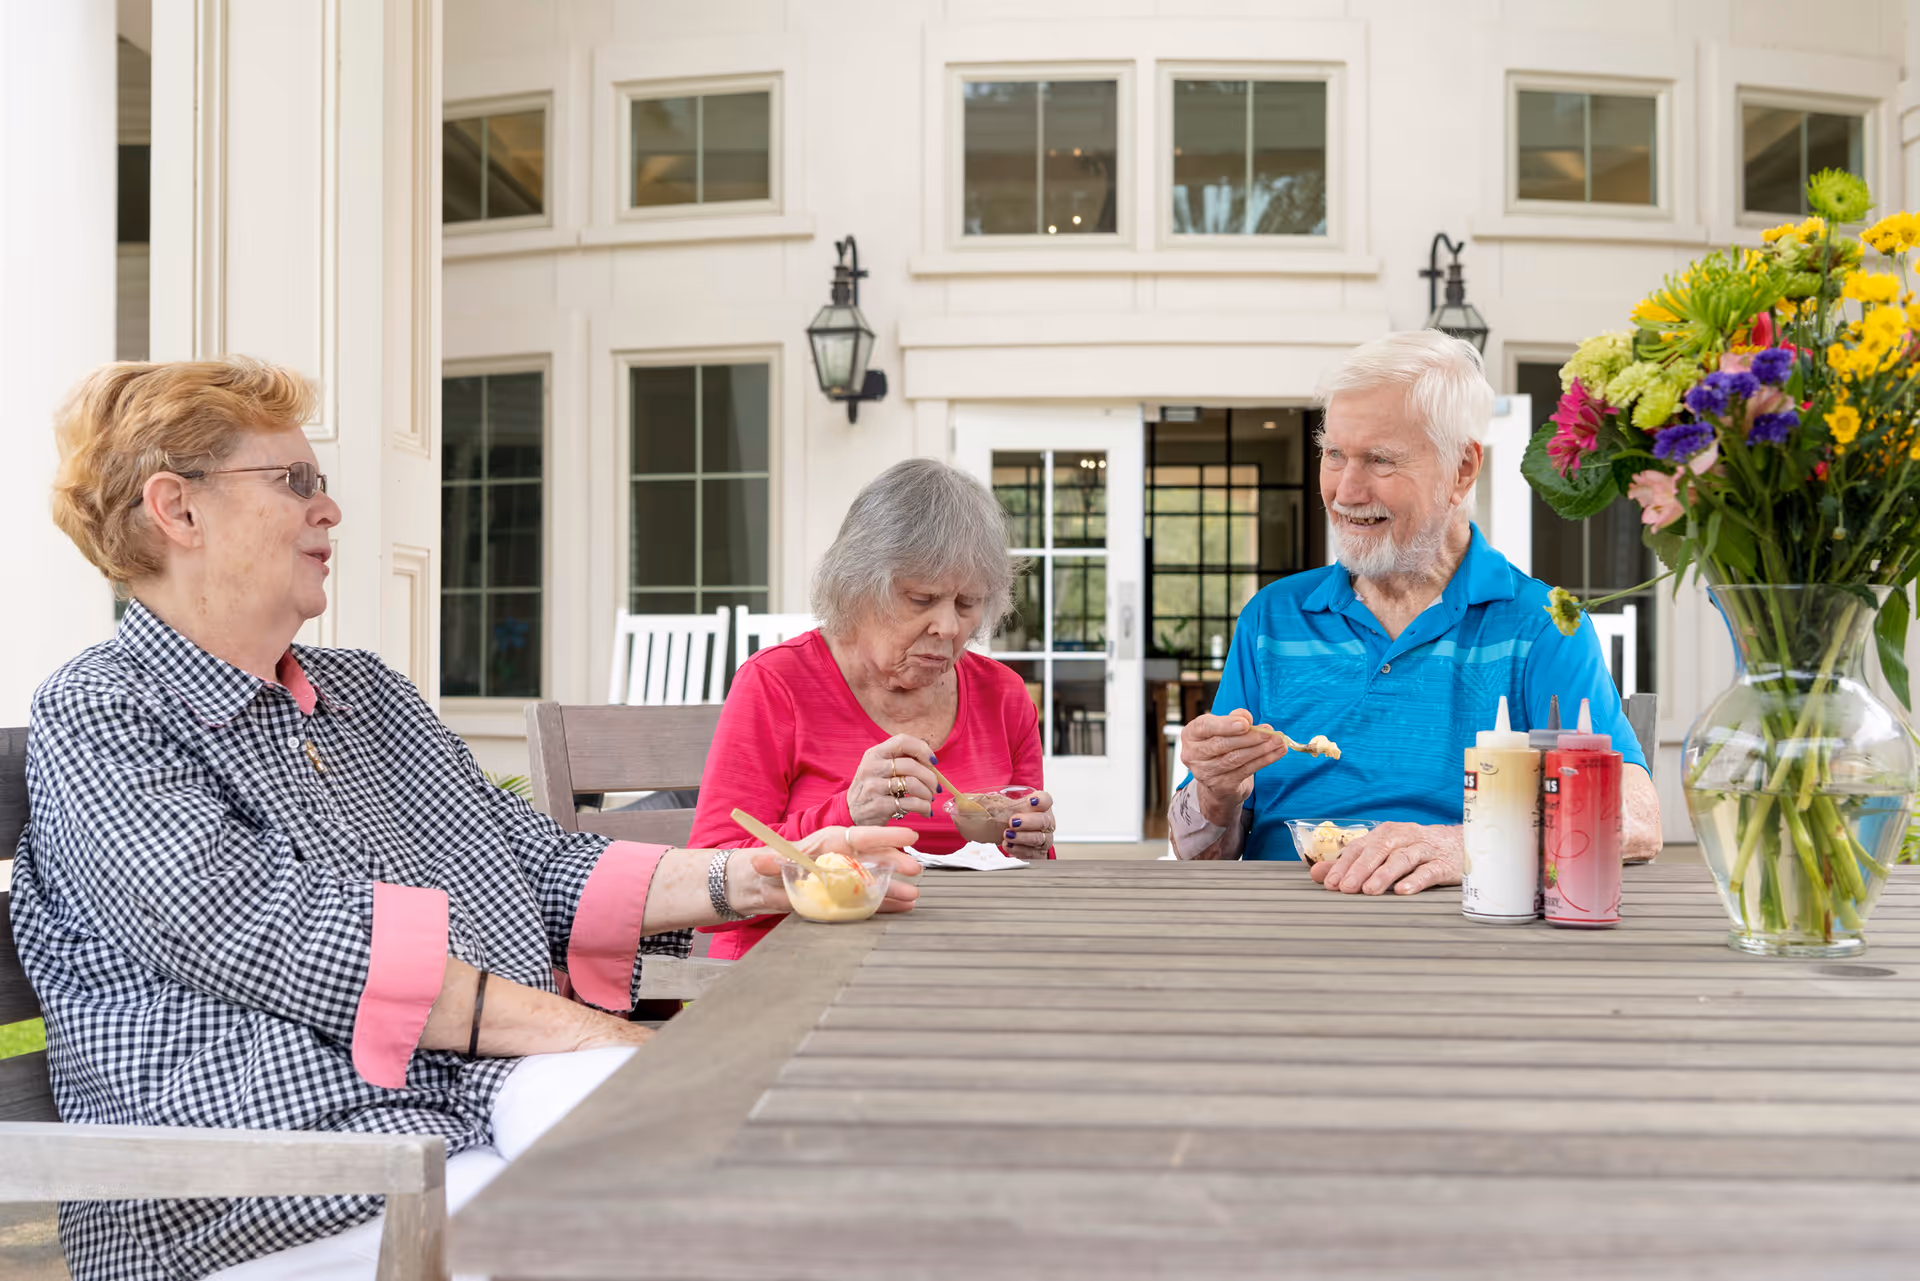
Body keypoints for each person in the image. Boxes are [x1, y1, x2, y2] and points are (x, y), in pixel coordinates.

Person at [7, 357, 923, 1281]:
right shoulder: (107, 711)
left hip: (463, 1107)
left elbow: (530, 857)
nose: (329, 510)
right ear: (180, 510)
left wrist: (769, 874)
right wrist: (592, 1032)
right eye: (295, 482)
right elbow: (296, 943)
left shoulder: (364, 696)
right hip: (274, 1184)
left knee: (763, 1151)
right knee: (684, 1215)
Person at [1169, 331, 1661, 887]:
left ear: (1462, 470)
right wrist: (1214, 795)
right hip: (1285, 929)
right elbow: (1199, 856)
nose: (1345, 492)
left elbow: (1638, 820)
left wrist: (1464, 846)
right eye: (1334, 455)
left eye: (1380, 460)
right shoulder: (1271, 619)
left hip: (1464, 930)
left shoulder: (1540, 624)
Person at [690, 458, 1056, 958]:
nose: (948, 627)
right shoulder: (777, 684)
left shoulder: (1004, 695)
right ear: (859, 587)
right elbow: (710, 875)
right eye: (922, 598)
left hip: (961, 959)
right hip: (787, 965)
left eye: (967, 604)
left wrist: (1029, 844)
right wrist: (848, 813)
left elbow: (1033, 870)